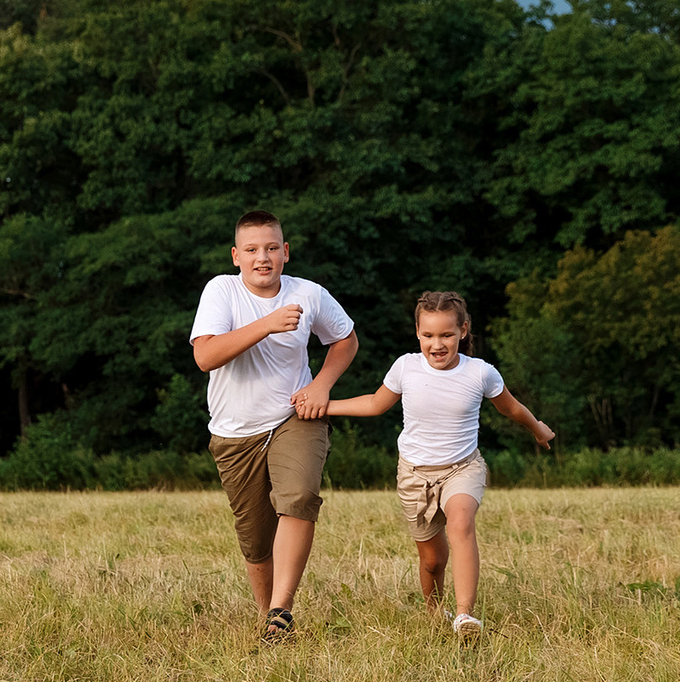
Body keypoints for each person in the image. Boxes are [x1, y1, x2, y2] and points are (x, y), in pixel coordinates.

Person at [326, 291, 552, 637]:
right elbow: (374, 404)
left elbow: (511, 409)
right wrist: (323, 406)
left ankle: (465, 616)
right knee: (433, 561)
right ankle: (435, 611)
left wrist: (538, 430)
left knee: (461, 523)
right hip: (415, 474)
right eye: (428, 335)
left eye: (446, 335)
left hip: (462, 467)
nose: (437, 344)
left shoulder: (480, 373)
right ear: (417, 332)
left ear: (463, 330)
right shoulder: (405, 367)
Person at [190, 210, 359, 645]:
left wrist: (321, 385)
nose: (261, 258)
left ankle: (281, 610)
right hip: (235, 431)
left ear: (285, 252)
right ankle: (269, 620)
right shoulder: (221, 291)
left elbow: (346, 339)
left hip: (295, 416)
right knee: (255, 541)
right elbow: (206, 357)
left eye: (270, 248)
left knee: (300, 497)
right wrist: (267, 323)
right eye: (251, 250)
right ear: (236, 256)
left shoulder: (309, 293)